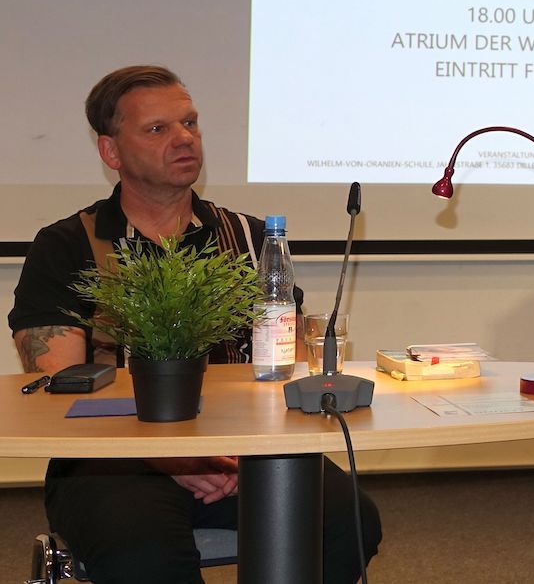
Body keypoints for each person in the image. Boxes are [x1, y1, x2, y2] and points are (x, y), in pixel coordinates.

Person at [8, 66, 381, 584]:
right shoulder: (67, 245)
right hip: (109, 461)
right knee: (147, 554)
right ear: (111, 152)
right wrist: (174, 458)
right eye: (157, 128)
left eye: (190, 123)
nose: (184, 138)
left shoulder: (251, 239)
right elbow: (58, 390)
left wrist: (234, 449)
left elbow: (286, 361)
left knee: (349, 519)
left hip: (248, 451)